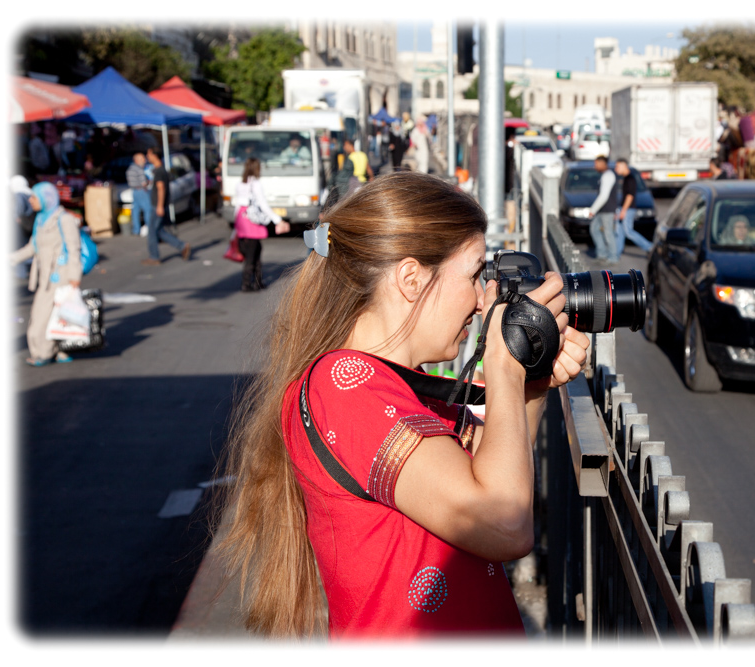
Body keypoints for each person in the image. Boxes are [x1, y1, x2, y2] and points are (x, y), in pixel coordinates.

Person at [211, 171, 590, 639]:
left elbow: (493, 474)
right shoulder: (344, 388)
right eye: (474, 275)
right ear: (411, 278)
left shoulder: (397, 386)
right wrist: (503, 368)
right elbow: (503, 524)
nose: (479, 302)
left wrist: (529, 382)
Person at [9, 182, 82, 366]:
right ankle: (60, 351)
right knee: (53, 316)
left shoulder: (63, 219)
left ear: (46, 198)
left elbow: (74, 248)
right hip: (45, 277)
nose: (30, 201)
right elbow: (32, 247)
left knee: (42, 318)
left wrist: (75, 276)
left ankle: (43, 353)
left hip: (61, 276)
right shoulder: (41, 219)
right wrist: (10, 259)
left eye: (34, 197)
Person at [233, 158, 291, 292]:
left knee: (254, 251)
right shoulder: (256, 184)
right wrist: (277, 220)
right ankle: (248, 283)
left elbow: (238, 204)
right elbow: (262, 204)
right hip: (252, 220)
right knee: (253, 254)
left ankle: (256, 281)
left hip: (242, 219)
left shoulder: (240, 183)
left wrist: (236, 227)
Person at [143, 148, 192, 265]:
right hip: (159, 205)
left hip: (157, 206)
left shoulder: (159, 171)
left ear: (155, 155)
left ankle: (154, 257)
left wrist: (159, 206)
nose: (147, 156)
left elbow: (161, 188)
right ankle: (182, 246)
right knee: (159, 230)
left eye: (149, 154)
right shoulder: (159, 170)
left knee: (152, 231)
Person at [613, 158, 653, 256]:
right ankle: (616, 254)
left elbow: (630, 196)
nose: (616, 169)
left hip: (628, 209)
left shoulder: (630, 179)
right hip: (624, 208)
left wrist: (623, 210)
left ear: (624, 166)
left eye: (618, 166)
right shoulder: (626, 178)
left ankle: (649, 247)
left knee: (628, 232)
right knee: (619, 232)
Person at [588, 155, 618, 264]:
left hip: (607, 210)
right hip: (603, 210)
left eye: (596, 163)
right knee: (595, 229)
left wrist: (593, 209)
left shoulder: (608, 176)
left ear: (603, 163)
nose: (595, 166)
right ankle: (602, 255)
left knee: (608, 233)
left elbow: (604, 196)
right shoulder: (605, 175)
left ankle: (612, 258)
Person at [126, 151, 154, 236]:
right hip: (142, 190)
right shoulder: (139, 169)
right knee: (148, 209)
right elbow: (144, 183)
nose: (145, 160)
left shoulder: (130, 168)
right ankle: (150, 228)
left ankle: (136, 230)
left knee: (135, 211)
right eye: (143, 159)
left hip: (134, 191)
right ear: (137, 160)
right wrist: (149, 182)